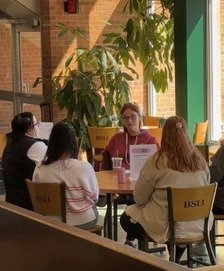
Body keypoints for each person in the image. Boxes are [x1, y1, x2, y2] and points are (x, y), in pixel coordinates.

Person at [120, 116, 212, 262]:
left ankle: (150, 259)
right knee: (176, 219)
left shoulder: (157, 161)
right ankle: (175, 259)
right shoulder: (200, 161)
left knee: (126, 219)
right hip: (199, 224)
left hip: (168, 227)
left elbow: (139, 198)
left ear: (164, 135)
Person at [32, 121, 99, 229]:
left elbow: (38, 194)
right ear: (73, 143)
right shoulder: (83, 167)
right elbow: (94, 197)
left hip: (51, 220)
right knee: (94, 206)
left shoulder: (39, 167)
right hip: (82, 221)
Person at [2, 112, 47, 210]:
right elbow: (54, 165)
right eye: (37, 124)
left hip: (12, 200)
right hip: (30, 204)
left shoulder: (10, 144)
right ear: (29, 130)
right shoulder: (35, 146)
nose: (38, 127)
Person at [103, 102, 159, 170]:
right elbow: (106, 157)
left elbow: (157, 163)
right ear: (122, 121)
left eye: (133, 116)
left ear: (140, 118)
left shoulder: (150, 141)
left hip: (142, 177)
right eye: (125, 118)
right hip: (118, 176)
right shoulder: (117, 139)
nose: (129, 120)